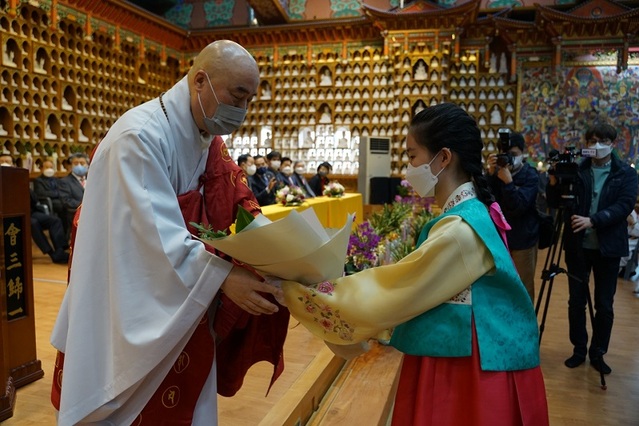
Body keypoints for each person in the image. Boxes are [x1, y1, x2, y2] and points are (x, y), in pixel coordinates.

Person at [50, 40, 285, 426]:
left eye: (250, 100)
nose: (242, 111)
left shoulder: (205, 133)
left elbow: (239, 199)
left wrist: (282, 254)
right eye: (237, 96)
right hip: (129, 299)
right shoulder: (138, 138)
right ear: (200, 81)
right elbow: (149, 237)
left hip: (183, 298)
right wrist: (224, 276)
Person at [281, 103, 549, 425]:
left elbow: (392, 291)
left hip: (467, 370)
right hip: (472, 354)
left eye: (411, 156)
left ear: (444, 158)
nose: (408, 167)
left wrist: (302, 290)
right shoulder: (473, 212)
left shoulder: (460, 231)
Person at [546, 122, 637, 375]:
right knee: (576, 301)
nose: (596, 145)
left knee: (604, 304)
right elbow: (555, 203)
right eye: (592, 140)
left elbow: (624, 205)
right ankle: (578, 349)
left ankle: (598, 352)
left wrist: (593, 220)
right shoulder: (577, 169)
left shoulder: (625, 173)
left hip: (608, 248)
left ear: (613, 143)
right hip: (578, 245)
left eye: (602, 141)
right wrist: (554, 181)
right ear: (585, 144)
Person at [487, 131, 540, 301]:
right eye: (506, 155)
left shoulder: (530, 175)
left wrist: (509, 183)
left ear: (523, 154)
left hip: (523, 241)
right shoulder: (495, 175)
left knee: (523, 289)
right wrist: (489, 175)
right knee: (499, 287)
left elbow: (518, 207)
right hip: (498, 240)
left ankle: (525, 327)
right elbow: (485, 201)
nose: (510, 159)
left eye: (514, 155)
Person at [30, 189, 69, 264]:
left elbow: (35, 200)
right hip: (19, 215)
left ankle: (59, 250)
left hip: (32, 212)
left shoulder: (22, 184)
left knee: (55, 220)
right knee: (34, 224)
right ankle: (52, 254)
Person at [33, 159, 69, 235]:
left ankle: (66, 234)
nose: (49, 169)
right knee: (62, 207)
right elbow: (40, 193)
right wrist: (56, 193)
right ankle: (62, 234)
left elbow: (62, 191)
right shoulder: (38, 180)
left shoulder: (56, 179)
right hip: (48, 201)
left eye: (51, 167)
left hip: (60, 200)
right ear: (42, 168)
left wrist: (58, 193)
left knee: (67, 206)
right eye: (47, 167)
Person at [57, 152, 89, 232]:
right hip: (76, 214)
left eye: (82, 163)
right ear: (70, 166)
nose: (79, 166)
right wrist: (85, 206)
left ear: (87, 165)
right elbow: (66, 201)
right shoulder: (64, 182)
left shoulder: (93, 179)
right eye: (76, 163)